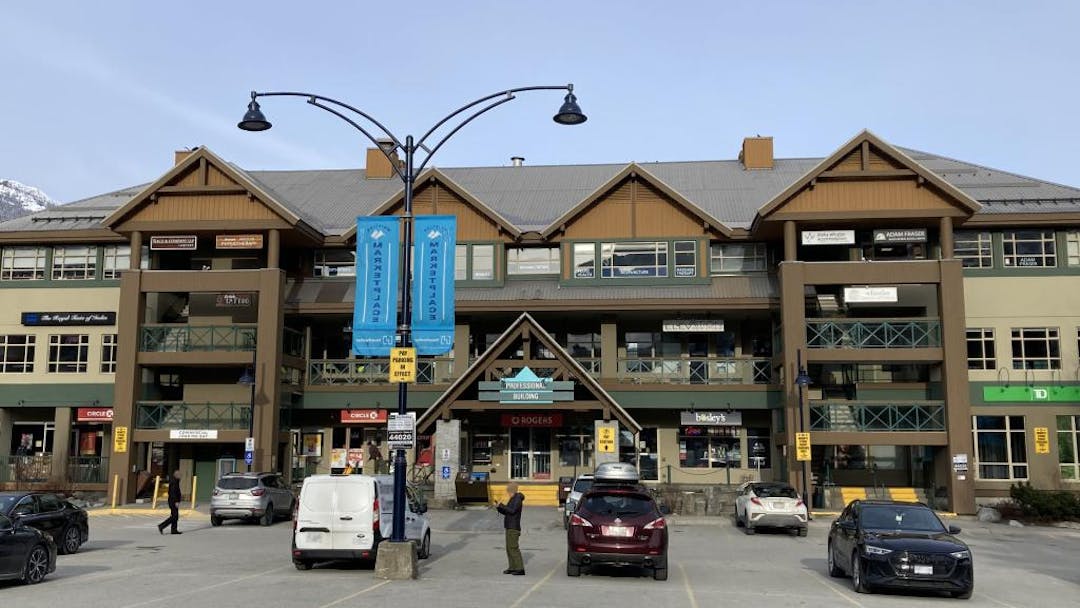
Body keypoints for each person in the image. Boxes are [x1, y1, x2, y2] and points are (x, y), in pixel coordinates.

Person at [495, 482, 525, 575]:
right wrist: (499, 507)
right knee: (509, 548)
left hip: (513, 527)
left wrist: (501, 505)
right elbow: (507, 511)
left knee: (513, 548)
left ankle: (520, 568)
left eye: (508, 490)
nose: (507, 492)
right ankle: (512, 567)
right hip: (509, 526)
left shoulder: (517, 499)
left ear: (511, 490)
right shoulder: (513, 499)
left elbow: (512, 511)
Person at [157, 470, 183, 535]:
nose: (181, 476)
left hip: (173, 501)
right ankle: (161, 526)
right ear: (176, 475)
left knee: (175, 516)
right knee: (174, 516)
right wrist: (176, 501)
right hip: (173, 501)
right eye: (180, 475)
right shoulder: (174, 482)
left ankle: (174, 530)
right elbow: (172, 493)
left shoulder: (175, 481)